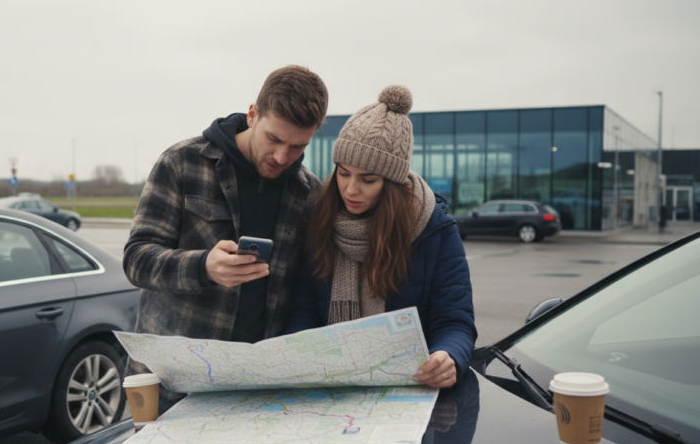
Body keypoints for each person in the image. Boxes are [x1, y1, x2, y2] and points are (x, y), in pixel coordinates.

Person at [123, 65, 328, 388]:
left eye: (298, 146)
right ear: (252, 114)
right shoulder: (180, 162)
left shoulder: (310, 194)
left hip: (257, 384)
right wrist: (203, 266)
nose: (281, 155)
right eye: (273, 138)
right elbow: (136, 260)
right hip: (173, 380)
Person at [285, 85, 476, 388]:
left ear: (392, 185)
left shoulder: (436, 231)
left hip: (410, 392)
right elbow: (305, 309)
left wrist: (449, 356)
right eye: (343, 173)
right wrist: (300, 351)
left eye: (368, 179)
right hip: (330, 390)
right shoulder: (319, 220)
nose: (350, 189)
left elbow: (456, 323)